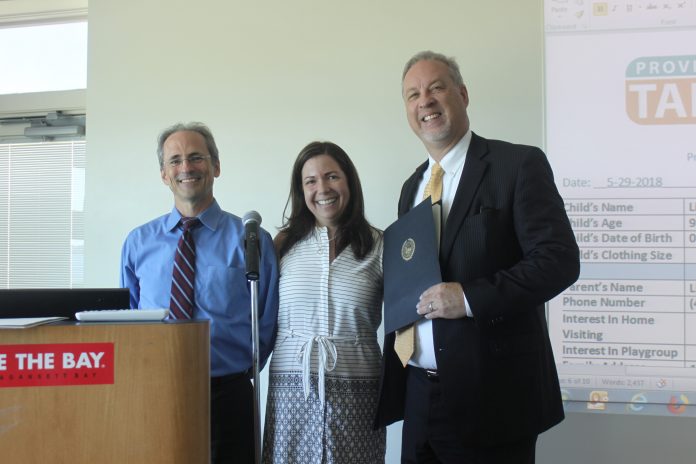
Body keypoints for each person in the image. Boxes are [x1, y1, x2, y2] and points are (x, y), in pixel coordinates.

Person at [374, 51, 580, 463]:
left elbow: (558, 260)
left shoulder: (517, 164)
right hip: (419, 393)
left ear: (463, 95)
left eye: (436, 88)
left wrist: (468, 298)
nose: (425, 101)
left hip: (494, 398)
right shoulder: (411, 187)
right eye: (413, 94)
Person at [120, 122, 279, 464]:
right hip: (156, 392)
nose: (186, 168)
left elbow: (265, 322)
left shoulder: (251, 240)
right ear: (164, 174)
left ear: (215, 166)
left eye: (196, 157)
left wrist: (240, 372)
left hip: (228, 396)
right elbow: (129, 319)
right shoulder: (138, 243)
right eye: (175, 161)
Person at [263, 141, 386, 463]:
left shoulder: (380, 245)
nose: (322, 189)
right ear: (301, 190)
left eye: (332, 177)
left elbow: (406, 317)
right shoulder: (282, 244)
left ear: (349, 181)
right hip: (291, 388)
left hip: (357, 387)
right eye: (311, 181)